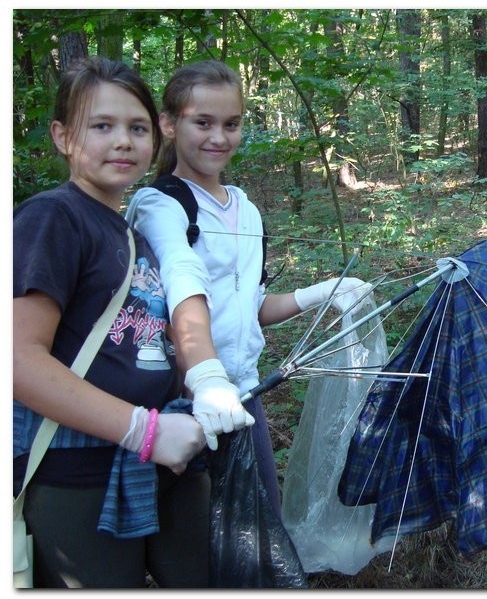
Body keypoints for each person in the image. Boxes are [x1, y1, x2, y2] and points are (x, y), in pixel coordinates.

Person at [125, 60, 371, 521]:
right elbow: (181, 280)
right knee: (193, 540)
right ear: (169, 124)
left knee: (261, 527)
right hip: (182, 397)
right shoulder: (160, 205)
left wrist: (322, 292)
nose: (219, 137)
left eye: (231, 124)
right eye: (203, 122)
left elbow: (252, 306)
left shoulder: (248, 211)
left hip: (244, 394)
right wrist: (206, 378)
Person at [13, 56, 209, 588]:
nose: (122, 141)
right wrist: (144, 431)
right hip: (79, 479)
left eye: (137, 127)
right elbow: (18, 360)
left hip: (159, 464)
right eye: (102, 126)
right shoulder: (53, 218)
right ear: (61, 135)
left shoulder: (130, 230)